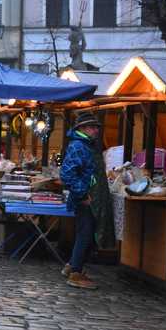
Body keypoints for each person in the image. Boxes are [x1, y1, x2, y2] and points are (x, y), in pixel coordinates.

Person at [60, 112, 101, 290]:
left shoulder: (85, 145)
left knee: (86, 233)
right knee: (86, 234)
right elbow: (67, 173)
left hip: (88, 196)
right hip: (85, 198)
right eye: (92, 127)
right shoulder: (79, 146)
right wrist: (82, 194)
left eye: (96, 127)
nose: (96, 130)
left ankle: (72, 266)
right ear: (82, 129)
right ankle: (76, 272)